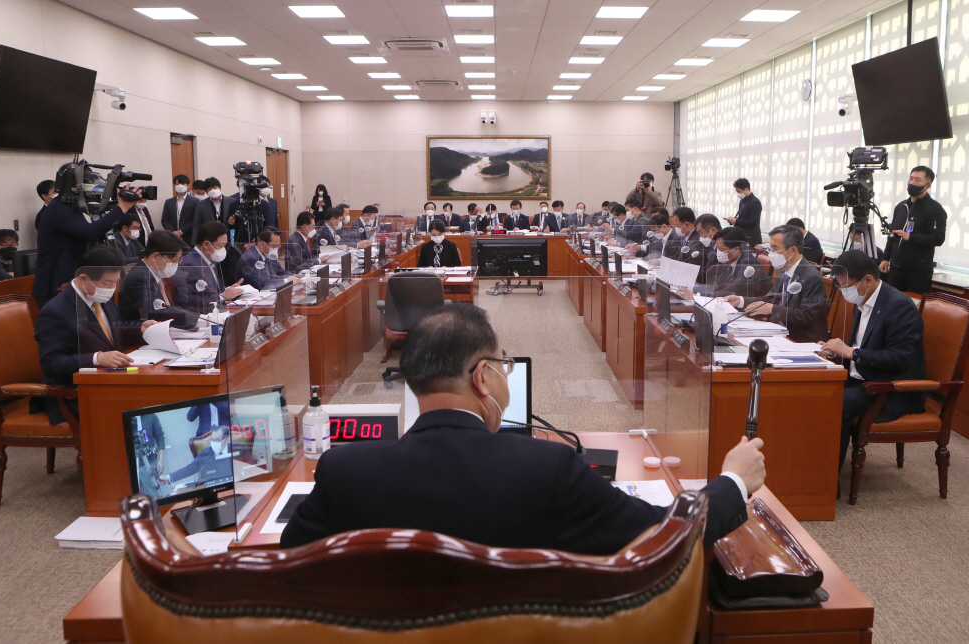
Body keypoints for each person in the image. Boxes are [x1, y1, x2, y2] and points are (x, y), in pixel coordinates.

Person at [280, 303, 764, 553]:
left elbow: (290, 562)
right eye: (503, 364)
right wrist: (734, 481)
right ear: (482, 376)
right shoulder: (548, 467)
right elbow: (666, 535)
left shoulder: (345, 469)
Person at [819, 250, 926, 473]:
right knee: (813, 391)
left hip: (885, 387)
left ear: (868, 279)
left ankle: (827, 483)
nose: (844, 292)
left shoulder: (899, 305)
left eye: (846, 286)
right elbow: (861, 344)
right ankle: (805, 466)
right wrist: (836, 352)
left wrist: (852, 353)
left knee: (831, 405)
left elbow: (901, 357)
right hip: (861, 377)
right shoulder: (865, 299)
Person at [33, 246, 156, 424]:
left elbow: (110, 335)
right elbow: (51, 363)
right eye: (108, 283)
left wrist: (140, 330)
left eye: (116, 282)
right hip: (77, 393)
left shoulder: (100, 297)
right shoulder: (55, 311)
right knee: (145, 405)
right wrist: (97, 358)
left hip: (112, 382)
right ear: (84, 278)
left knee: (157, 394)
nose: (113, 289)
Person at [32, 177, 140, 308]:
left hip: (71, 283)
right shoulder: (59, 208)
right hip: (55, 286)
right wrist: (122, 207)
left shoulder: (70, 207)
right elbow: (90, 232)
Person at [727, 225, 829, 343]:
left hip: (801, 340)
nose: (771, 254)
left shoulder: (811, 277)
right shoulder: (783, 273)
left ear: (792, 250)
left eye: (775, 249)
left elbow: (807, 316)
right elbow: (769, 299)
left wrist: (773, 309)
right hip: (779, 334)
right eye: (770, 249)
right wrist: (740, 300)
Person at [880, 166, 947, 295]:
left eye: (917, 180)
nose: (912, 183)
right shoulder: (901, 206)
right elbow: (892, 235)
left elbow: (938, 238)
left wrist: (910, 237)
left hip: (918, 272)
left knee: (912, 310)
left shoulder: (935, 209)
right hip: (896, 270)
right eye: (910, 179)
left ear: (928, 185)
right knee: (894, 308)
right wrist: (885, 258)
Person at [118, 230, 193, 327]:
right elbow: (156, 314)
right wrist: (199, 320)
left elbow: (169, 310)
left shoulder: (154, 274)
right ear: (155, 257)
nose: (175, 265)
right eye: (173, 261)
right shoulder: (139, 278)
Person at [174, 221, 244, 314]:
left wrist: (230, 291)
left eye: (224, 246)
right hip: (201, 318)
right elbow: (187, 300)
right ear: (206, 244)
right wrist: (222, 296)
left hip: (217, 312)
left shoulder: (208, 260)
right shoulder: (190, 264)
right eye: (220, 246)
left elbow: (214, 291)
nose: (223, 249)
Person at [685, 227, 771, 298]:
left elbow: (732, 292)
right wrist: (692, 289)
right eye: (717, 248)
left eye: (721, 249)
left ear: (736, 249)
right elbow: (717, 285)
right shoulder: (731, 261)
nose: (718, 252)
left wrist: (696, 296)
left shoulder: (748, 264)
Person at [158, 426, 233, 486]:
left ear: (225, 439)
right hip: (212, 487)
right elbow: (190, 468)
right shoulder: (206, 452)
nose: (213, 443)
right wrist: (168, 477)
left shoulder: (236, 449)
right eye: (212, 439)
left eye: (216, 440)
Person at [191, 177, 238, 246]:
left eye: (215, 188)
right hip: (210, 241)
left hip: (229, 240)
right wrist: (195, 244)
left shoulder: (232, 202)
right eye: (209, 189)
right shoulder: (201, 204)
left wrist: (232, 222)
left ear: (220, 188)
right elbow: (197, 225)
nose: (213, 190)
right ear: (206, 192)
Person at [725, 178, 763, 247]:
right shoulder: (742, 201)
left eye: (739, 191)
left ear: (746, 189)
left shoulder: (755, 202)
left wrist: (736, 221)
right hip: (741, 235)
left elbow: (753, 221)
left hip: (751, 237)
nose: (738, 194)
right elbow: (741, 216)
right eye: (736, 191)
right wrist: (732, 220)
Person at [161, 174, 197, 239]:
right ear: (174, 186)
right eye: (177, 184)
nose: (180, 186)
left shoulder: (195, 201)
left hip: (188, 237)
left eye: (183, 184)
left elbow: (195, 220)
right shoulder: (168, 202)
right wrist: (172, 232)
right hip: (172, 238)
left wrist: (181, 232)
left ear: (188, 186)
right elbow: (164, 220)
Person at [694, 214, 722, 284]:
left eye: (701, 233)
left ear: (713, 230)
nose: (700, 238)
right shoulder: (703, 247)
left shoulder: (724, 249)